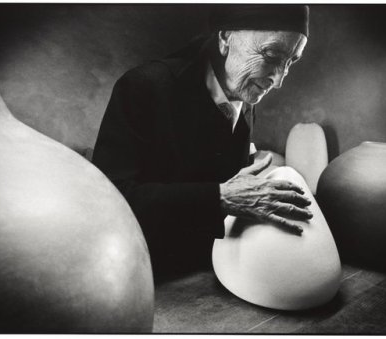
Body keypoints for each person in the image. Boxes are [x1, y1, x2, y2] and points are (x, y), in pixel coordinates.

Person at [93, 5, 313, 279]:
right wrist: (220, 198)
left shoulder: (244, 95)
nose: (278, 79)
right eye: (270, 55)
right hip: (146, 275)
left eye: (291, 61)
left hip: (214, 272)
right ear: (225, 39)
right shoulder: (143, 87)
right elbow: (109, 201)